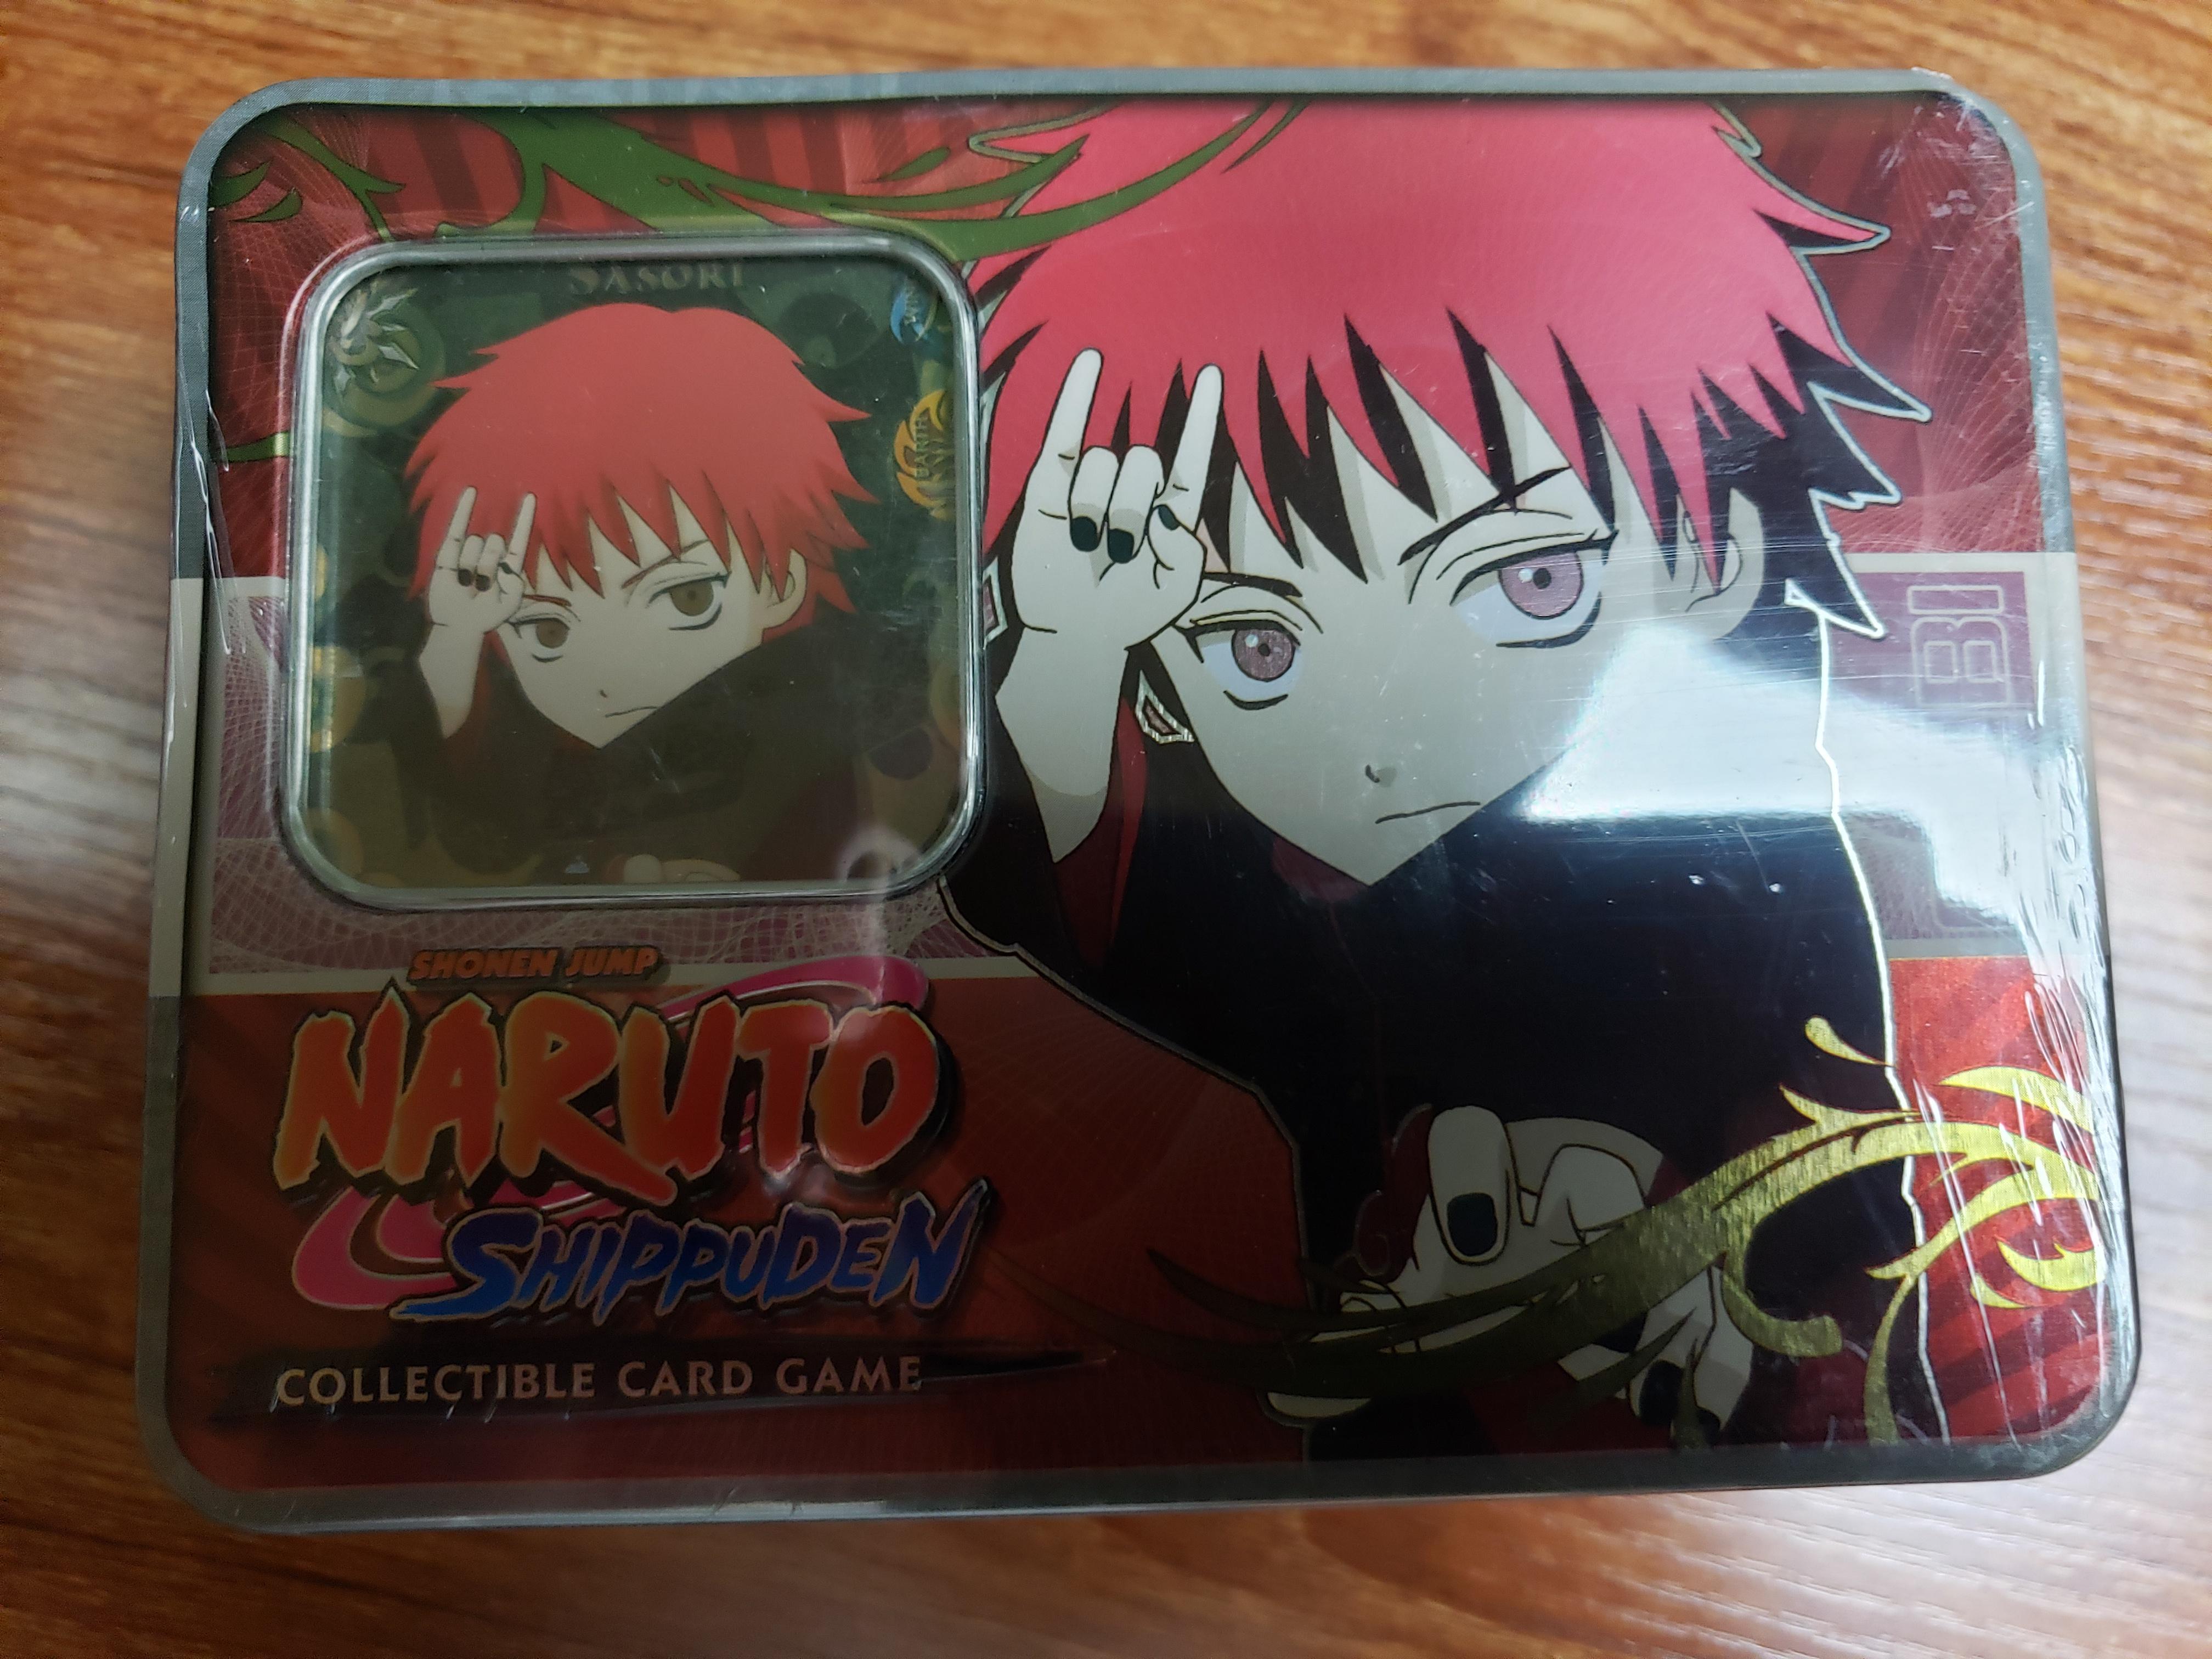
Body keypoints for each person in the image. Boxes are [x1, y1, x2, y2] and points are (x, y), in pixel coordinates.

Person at [948, 99, 1941, 1452]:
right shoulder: (1310, 916)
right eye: (1255, 646)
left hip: (1722, 1469)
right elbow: (1088, 901)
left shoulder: (1741, 864)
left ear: (1718, 559)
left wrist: (1713, 1277)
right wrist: (1065, 659)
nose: (1381, 734)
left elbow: (1851, 1222)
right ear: (1163, 690)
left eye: (1529, 580)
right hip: (1389, 1484)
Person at [390, 302, 947, 885]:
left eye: (688, 599)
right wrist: (454, 643)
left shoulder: (815, 713)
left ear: (782, 582)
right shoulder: (556, 755)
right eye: (547, 632)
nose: (613, 676)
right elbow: (489, 825)